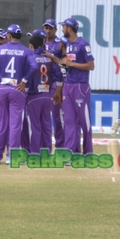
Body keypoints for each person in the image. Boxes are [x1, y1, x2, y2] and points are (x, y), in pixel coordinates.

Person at [0, 24, 38, 164]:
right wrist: (24, 80)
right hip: (17, 89)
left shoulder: (0, 49)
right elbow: (34, 67)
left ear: (9, 36)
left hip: (1, 88)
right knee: (15, 124)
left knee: (0, 123)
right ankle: (11, 157)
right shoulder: (26, 51)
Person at [59, 17, 95, 154]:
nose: (62, 29)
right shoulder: (67, 44)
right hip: (68, 85)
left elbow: (91, 66)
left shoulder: (83, 44)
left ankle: (88, 153)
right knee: (69, 121)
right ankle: (71, 152)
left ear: (69, 28)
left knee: (84, 122)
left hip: (81, 86)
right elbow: (66, 65)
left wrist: (71, 64)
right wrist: (63, 62)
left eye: (63, 27)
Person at [25, 33, 63, 154]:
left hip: (33, 95)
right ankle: (47, 151)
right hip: (47, 95)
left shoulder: (30, 58)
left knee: (34, 126)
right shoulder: (49, 58)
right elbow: (60, 75)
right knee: (46, 125)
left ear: (31, 46)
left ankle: (34, 153)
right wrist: (57, 92)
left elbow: (28, 75)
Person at [42, 18, 67, 149]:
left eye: (50, 28)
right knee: (43, 117)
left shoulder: (60, 43)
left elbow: (64, 64)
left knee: (57, 117)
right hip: (42, 84)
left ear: (55, 29)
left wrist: (61, 85)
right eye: (46, 28)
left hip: (55, 83)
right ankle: (44, 146)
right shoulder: (40, 42)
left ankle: (60, 145)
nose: (47, 30)